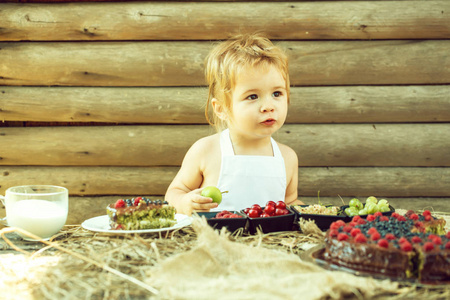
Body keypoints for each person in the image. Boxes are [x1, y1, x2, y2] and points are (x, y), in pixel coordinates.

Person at [165, 33, 304, 215]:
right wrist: (184, 202)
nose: (269, 106)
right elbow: (173, 194)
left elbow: (289, 202)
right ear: (221, 108)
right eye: (252, 96)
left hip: (268, 242)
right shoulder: (206, 150)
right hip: (217, 240)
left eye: (277, 93)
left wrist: (304, 210)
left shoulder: (288, 157)